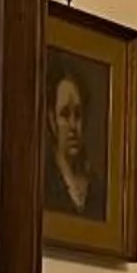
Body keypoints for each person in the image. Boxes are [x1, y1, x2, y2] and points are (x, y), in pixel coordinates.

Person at [47, 71, 96, 218]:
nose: (73, 125)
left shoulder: (96, 186)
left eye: (78, 115)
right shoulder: (45, 182)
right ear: (52, 120)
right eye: (65, 114)